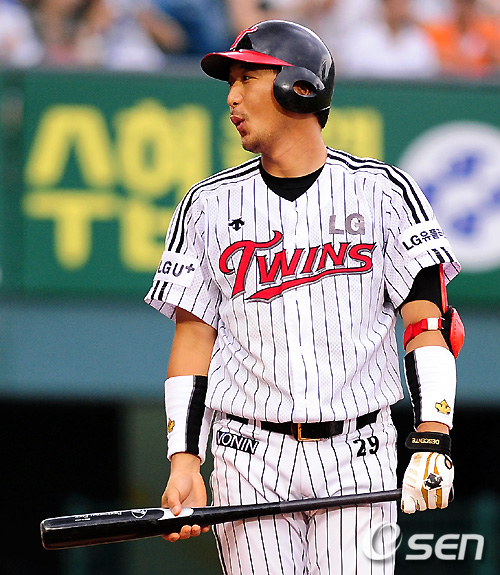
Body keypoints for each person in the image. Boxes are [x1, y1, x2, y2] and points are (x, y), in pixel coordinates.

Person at [145, 20, 463, 574]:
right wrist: (184, 460)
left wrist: (433, 435)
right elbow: (193, 342)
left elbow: (427, 325)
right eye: (230, 82)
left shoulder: (384, 192)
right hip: (248, 454)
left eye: (247, 79)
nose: (231, 97)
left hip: (358, 450)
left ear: (299, 86)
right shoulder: (207, 204)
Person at [339, 0, 439, 79]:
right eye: (393, 2)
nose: (398, 7)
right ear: (384, 4)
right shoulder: (363, 38)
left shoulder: (419, 40)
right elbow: (352, 72)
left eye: (402, 2)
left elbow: (428, 74)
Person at [423, 0, 500, 77]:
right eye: (461, 4)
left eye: (468, 4)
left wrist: (490, 53)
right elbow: (439, 58)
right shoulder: (444, 31)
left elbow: (495, 58)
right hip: (454, 80)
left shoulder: (486, 30)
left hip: (482, 80)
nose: (464, 8)